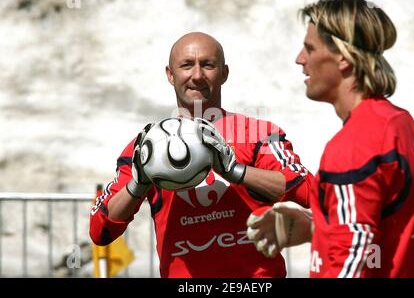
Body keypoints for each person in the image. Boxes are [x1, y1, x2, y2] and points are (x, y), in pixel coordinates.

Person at [89, 32, 313, 277]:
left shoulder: (258, 134)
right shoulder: (146, 147)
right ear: (170, 74)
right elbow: (100, 231)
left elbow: (310, 192)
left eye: (208, 64)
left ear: (224, 73)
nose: (197, 75)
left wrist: (237, 171)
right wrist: (138, 185)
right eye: (186, 65)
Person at [247, 0, 414, 278]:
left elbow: (350, 260)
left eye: (310, 48)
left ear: (344, 58)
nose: (300, 59)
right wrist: (316, 225)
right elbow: (383, 227)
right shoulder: (401, 123)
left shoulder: (354, 146)